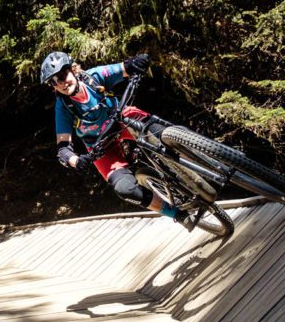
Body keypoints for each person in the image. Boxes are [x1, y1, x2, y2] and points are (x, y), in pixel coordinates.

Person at [41, 51, 193, 228]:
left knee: (162, 133)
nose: (61, 83)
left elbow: (125, 68)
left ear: (72, 69)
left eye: (62, 75)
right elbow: (63, 149)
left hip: (122, 121)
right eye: (54, 82)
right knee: (125, 189)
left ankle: (198, 162)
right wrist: (76, 161)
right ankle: (178, 214)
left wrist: (138, 61)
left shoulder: (94, 77)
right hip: (100, 146)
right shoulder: (63, 107)